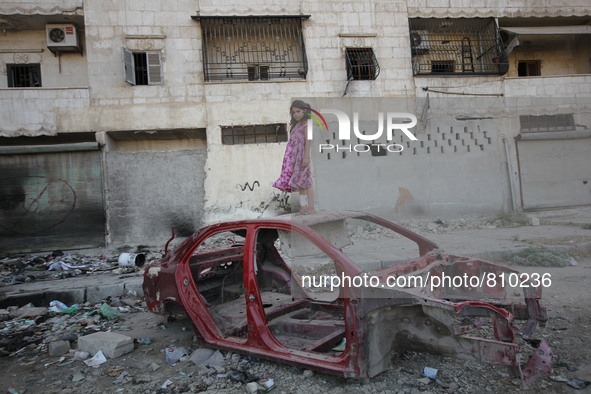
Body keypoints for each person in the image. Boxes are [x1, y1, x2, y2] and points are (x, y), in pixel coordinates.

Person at [273, 100, 315, 214]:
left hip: (302, 156)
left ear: (305, 111)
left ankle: (311, 207)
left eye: (298, 111)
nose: (296, 114)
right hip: (294, 157)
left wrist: (306, 156)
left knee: (307, 182)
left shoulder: (307, 125)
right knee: (300, 182)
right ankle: (303, 207)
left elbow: (308, 140)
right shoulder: (296, 126)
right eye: (293, 112)